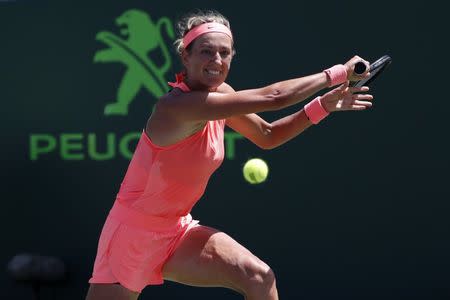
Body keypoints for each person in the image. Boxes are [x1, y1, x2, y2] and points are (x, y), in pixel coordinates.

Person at [86, 9, 373, 300]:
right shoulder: (177, 107)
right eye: (206, 52)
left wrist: (323, 105)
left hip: (176, 231)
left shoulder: (221, 93)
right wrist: (337, 74)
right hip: (132, 236)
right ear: (186, 57)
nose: (217, 61)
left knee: (258, 277)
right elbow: (273, 98)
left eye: (224, 53)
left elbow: (268, 135)